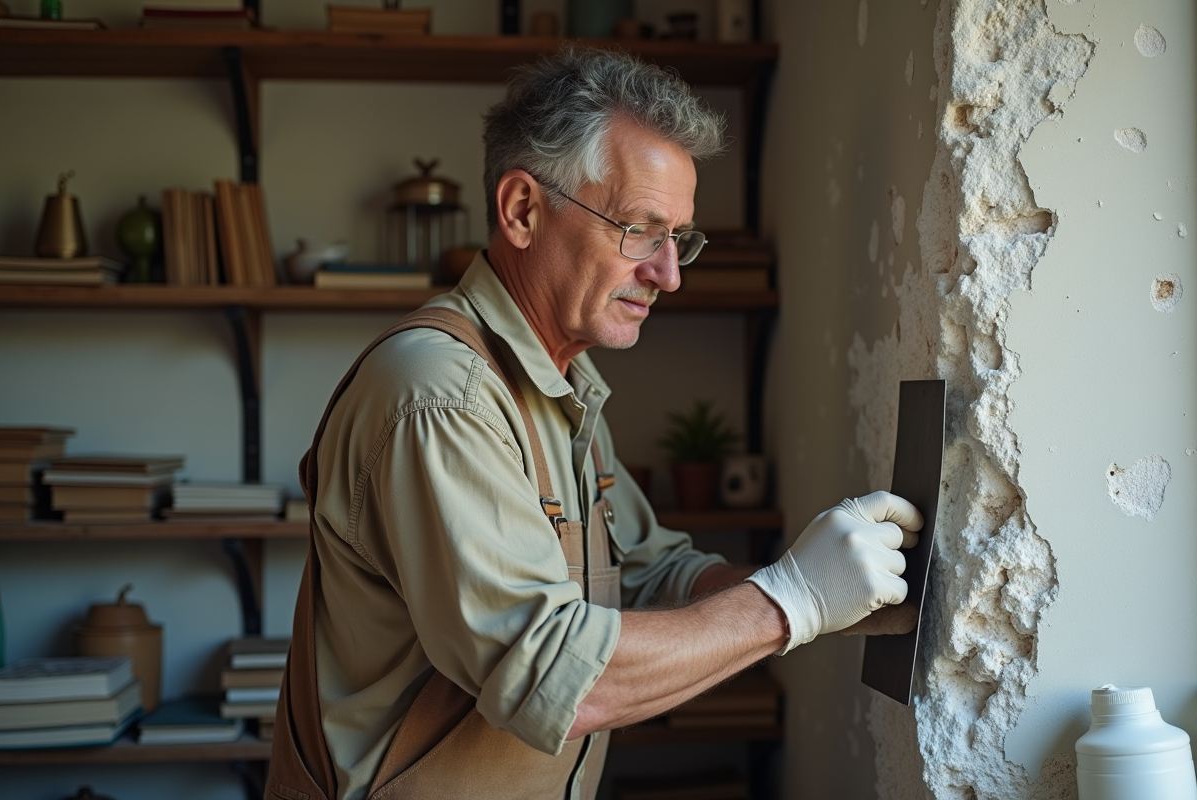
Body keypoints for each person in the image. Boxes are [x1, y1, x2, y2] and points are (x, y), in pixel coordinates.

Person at [266, 45, 922, 800]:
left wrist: (836, 597)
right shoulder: (440, 394)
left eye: (680, 239)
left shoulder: (562, 381)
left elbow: (648, 578)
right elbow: (556, 679)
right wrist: (790, 602)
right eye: (641, 229)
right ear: (522, 210)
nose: (668, 274)